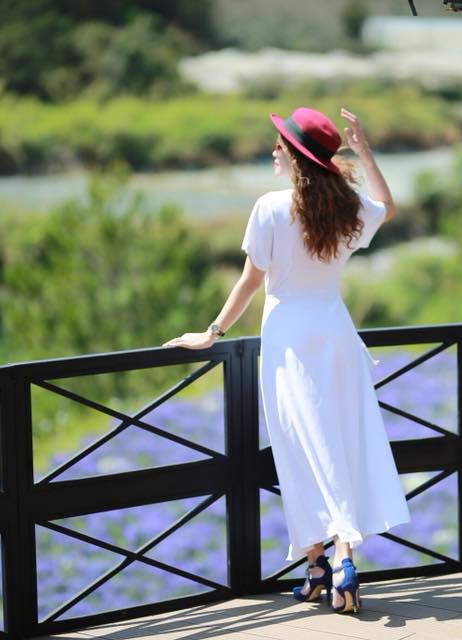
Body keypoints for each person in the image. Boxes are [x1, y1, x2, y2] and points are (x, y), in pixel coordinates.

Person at [164, 106, 410, 614]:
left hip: (288, 340)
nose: (273, 150)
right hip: (336, 333)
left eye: (280, 144)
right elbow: (387, 206)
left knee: (298, 448)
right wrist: (364, 151)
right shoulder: (347, 207)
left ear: (297, 157)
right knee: (337, 442)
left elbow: (250, 280)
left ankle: (335, 557)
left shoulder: (271, 207)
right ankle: (326, 564)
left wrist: (213, 332)